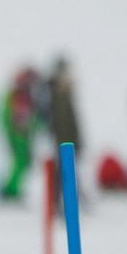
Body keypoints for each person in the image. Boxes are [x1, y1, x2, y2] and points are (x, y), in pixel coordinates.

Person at [0, 67, 38, 201]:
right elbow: (14, 117)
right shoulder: (18, 96)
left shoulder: (22, 95)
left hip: (22, 134)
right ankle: (11, 189)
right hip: (19, 134)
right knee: (19, 162)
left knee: (22, 163)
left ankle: (14, 188)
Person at [47, 56, 84, 186]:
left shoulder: (63, 94)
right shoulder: (56, 93)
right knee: (62, 172)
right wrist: (65, 139)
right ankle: (59, 202)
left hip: (67, 140)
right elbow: (61, 121)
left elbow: (73, 121)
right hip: (63, 140)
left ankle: (76, 198)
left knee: (68, 172)